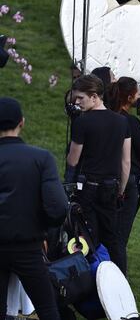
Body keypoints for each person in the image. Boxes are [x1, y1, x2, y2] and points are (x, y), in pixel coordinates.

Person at [0, 97, 68, 320]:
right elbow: (57, 207)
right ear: (22, 122)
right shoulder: (40, 158)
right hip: (28, 245)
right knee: (47, 309)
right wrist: (45, 230)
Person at [66, 74, 131, 271]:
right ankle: (120, 281)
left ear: (94, 96)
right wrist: (121, 188)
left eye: (80, 98)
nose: (76, 103)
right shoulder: (122, 121)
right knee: (112, 237)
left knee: (87, 237)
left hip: (88, 188)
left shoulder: (83, 122)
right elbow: (125, 161)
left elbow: (73, 160)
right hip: (111, 187)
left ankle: (91, 284)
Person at [107, 77, 140, 275]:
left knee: (110, 233)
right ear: (130, 97)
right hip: (127, 181)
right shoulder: (130, 121)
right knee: (119, 238)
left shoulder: (107, 116)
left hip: (106, 179)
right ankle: (119, 282)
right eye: (138, 93)